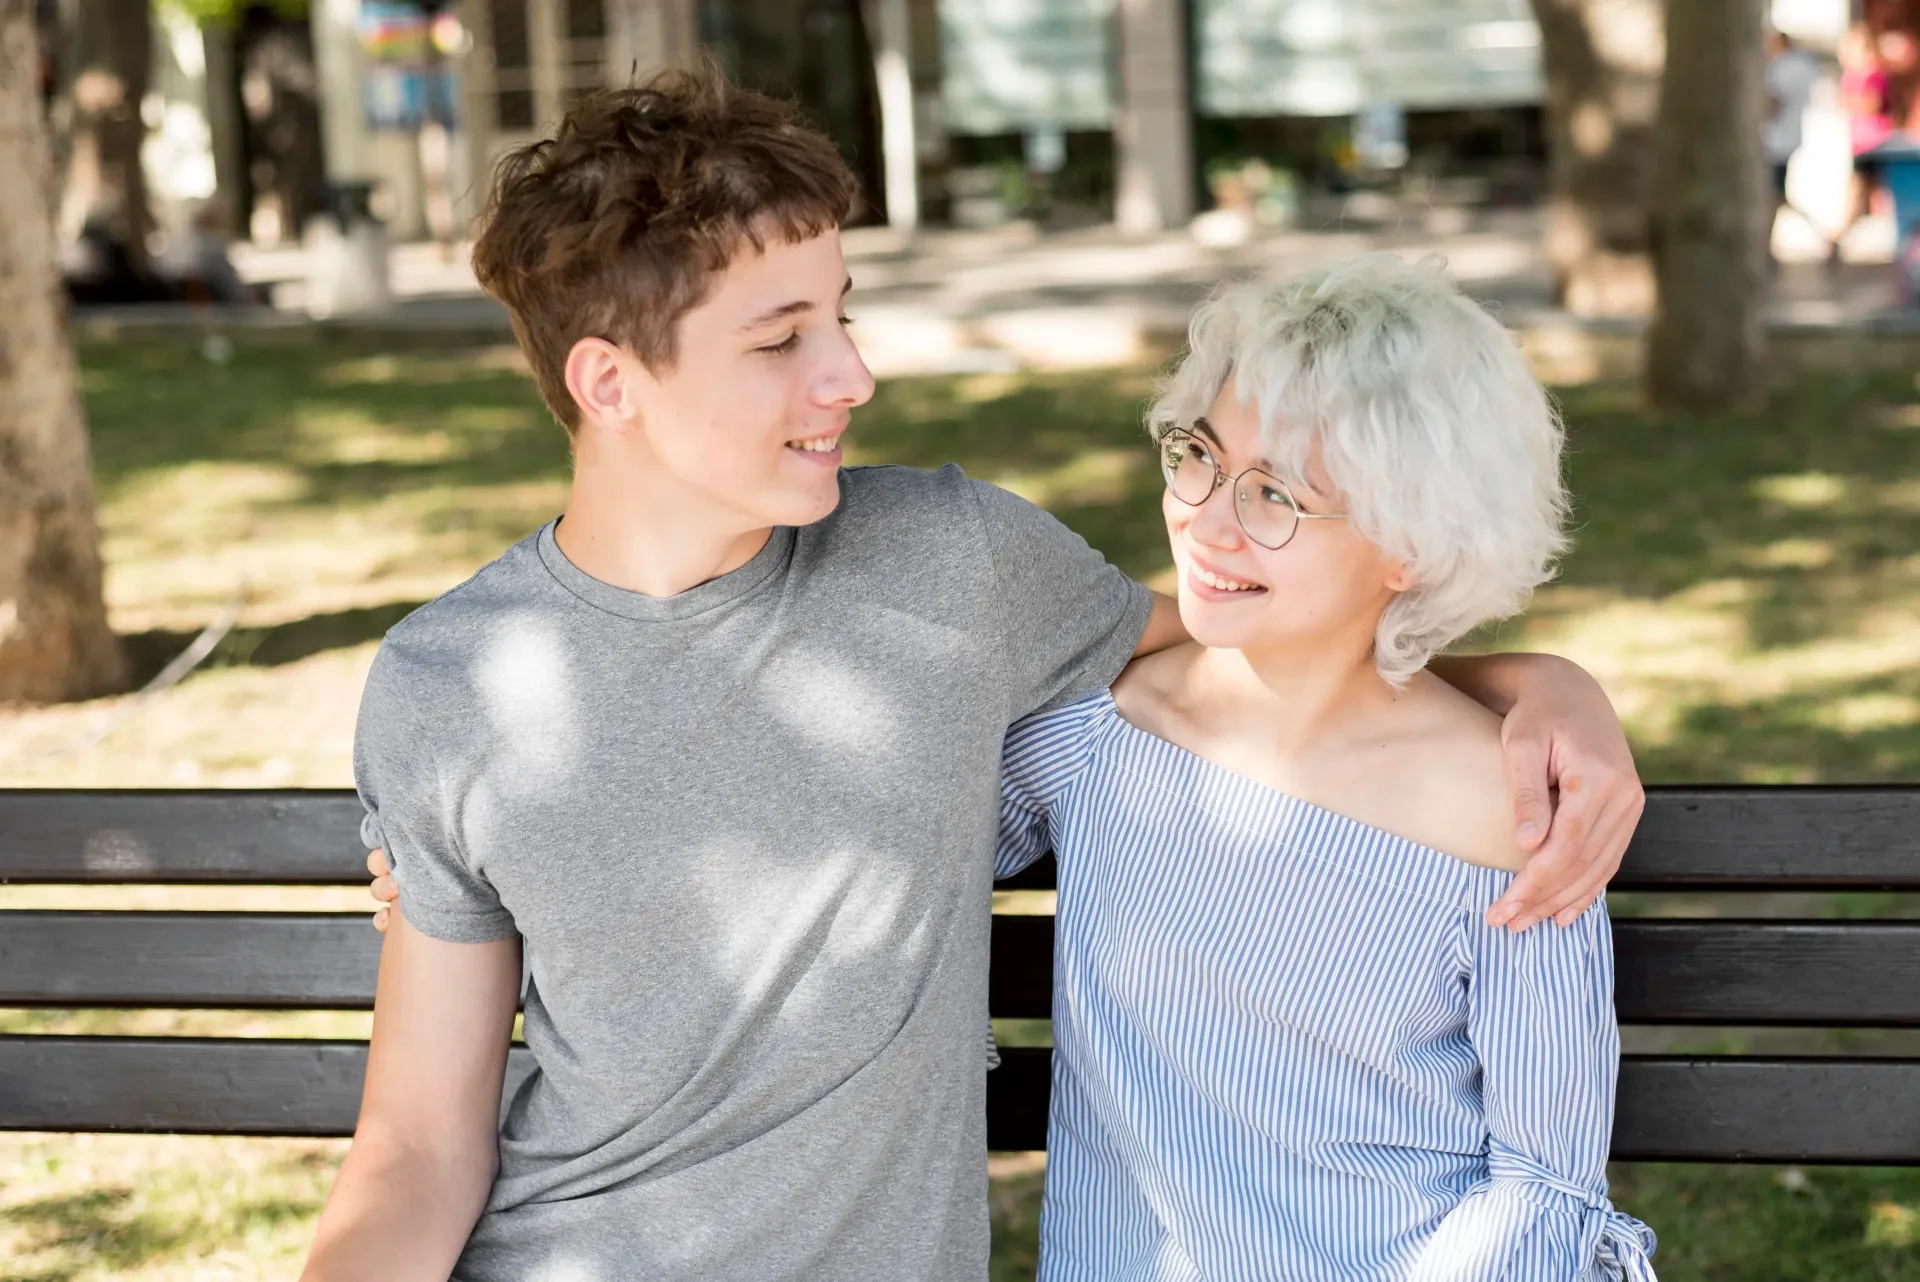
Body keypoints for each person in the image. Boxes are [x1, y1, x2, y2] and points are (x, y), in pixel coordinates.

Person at [322, 65, 1645, 1282]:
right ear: (609, 382)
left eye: (843, 314)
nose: (854, 373)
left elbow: (1284, 642)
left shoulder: (956, 567)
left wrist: (1547, 687)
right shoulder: (451, 690)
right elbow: (418, 1152)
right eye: (782, 339)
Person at [994, 257, 1657, 1279]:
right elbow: (884, 841)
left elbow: (1543, 1178)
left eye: (1275, 495)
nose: (1209, 521)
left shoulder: (1508, 810)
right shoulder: (1100, 734)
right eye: (1200, 457)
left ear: (1412, 543)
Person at [1763, 28, 1829, 266]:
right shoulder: (1802, 67)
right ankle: (1820, 235)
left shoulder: (1781, 68)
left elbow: (1773, 101)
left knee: (1774, 196)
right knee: (1777, 195)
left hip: (1774, 141)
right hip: (1787, 138)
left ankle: (1767, 247)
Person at [1835, 21, 1897, 263]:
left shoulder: (1873, 74)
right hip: (1860, 141)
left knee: (1874, 190)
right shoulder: (1852, 74)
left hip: (1875, 141)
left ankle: (1838, 237)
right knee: (1866, 190)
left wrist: (1850, 102)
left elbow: (1869, 105)